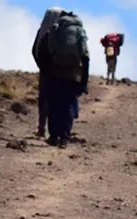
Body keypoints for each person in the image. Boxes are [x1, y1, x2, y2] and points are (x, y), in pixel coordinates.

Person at [34, 8, 90, 148]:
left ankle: (53, 137)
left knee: (54, 105)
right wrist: (84, 81)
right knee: (69, 106)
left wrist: (46, 69)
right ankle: (64, 138)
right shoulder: (80, 33)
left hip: (55, 73)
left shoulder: (55, 31)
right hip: (74, 76)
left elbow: (41, 50)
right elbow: (86, 58)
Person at [32, 7, 65, 138]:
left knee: (44, 100)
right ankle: (57, 132)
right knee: (57, 100)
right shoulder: (63, 32)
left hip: (45, 71)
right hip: (60, 72)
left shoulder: (42, 31)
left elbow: (34, 49)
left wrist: (41, 66)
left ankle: (41, 128)